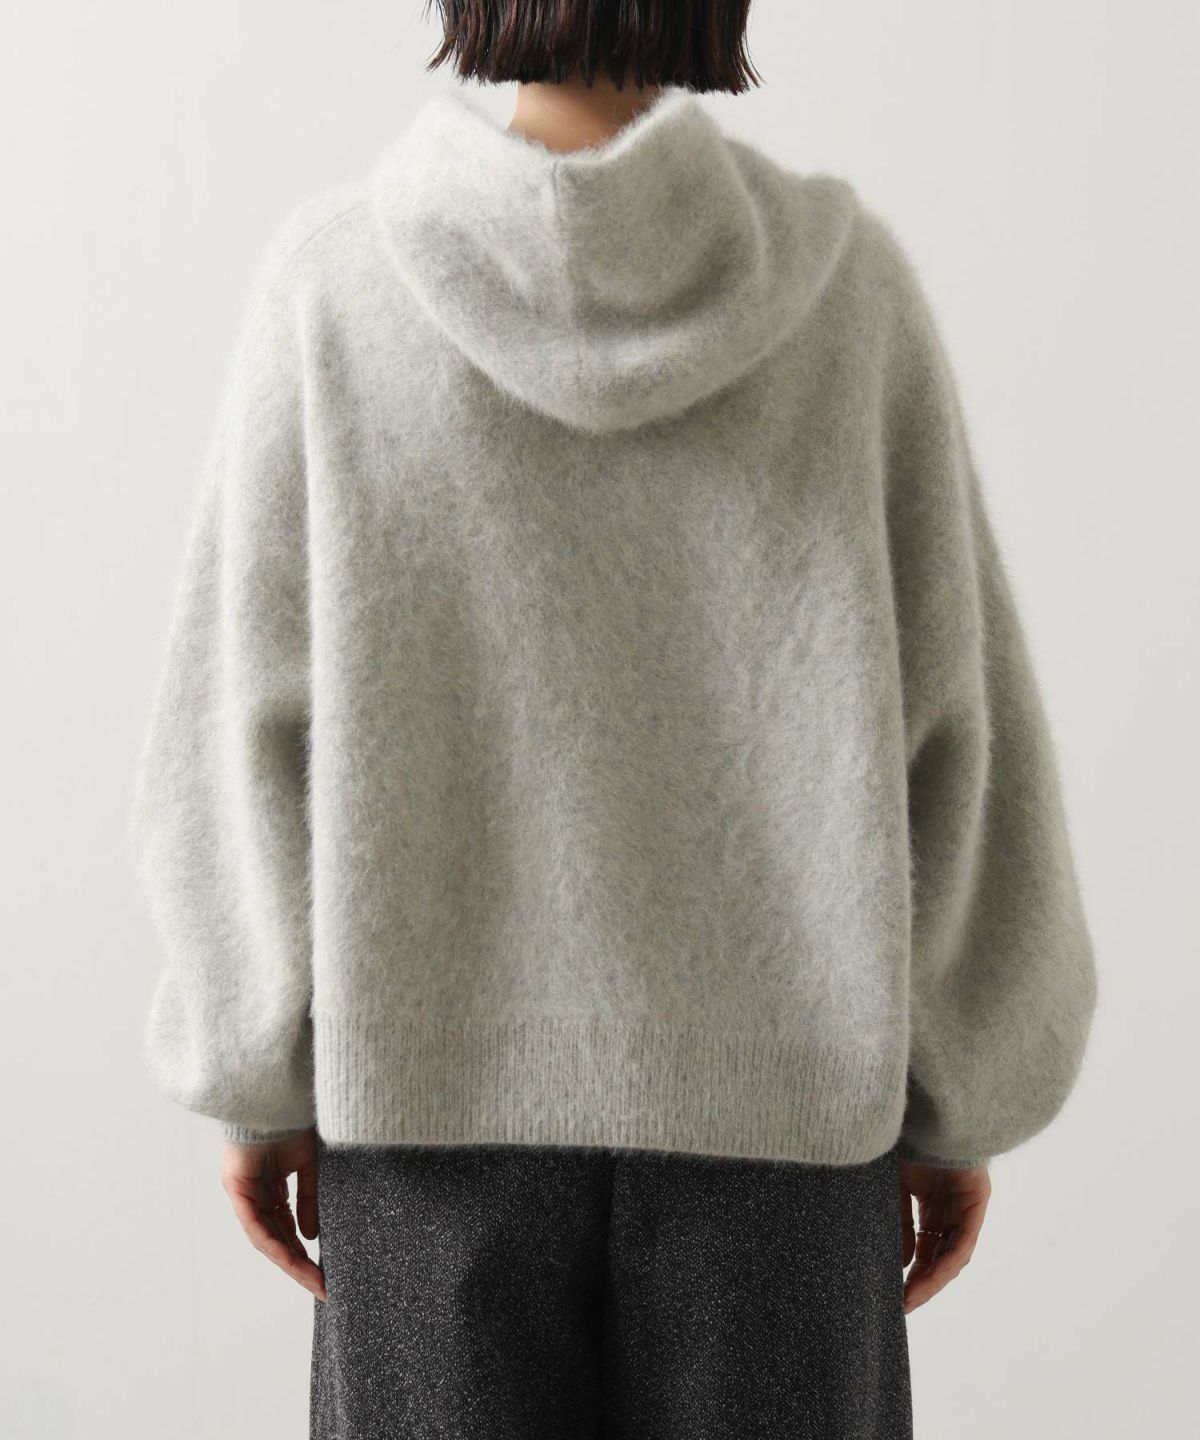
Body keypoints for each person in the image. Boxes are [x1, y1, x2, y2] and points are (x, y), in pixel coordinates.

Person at [127, 2, 1098, 1435]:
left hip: (428, 1139)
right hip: (786, 1151)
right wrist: (967, 1075)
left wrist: (251, 1070)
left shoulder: (335, 289)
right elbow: (957, 732)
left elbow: (242, 730)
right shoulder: (849, 296)